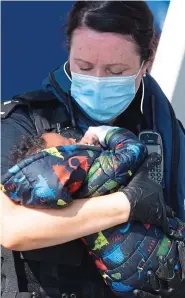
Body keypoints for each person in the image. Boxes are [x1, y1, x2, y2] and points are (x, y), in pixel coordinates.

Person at [1, 1, 185, 298]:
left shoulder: (166, 135)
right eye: (84, 67)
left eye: (115, 71)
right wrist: (128, 204)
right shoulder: (23, 122)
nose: (98, 80)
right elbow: (11, 228)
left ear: (145, 66)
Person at [2, 127, 185, 298]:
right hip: (161, 248)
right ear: (61, 158)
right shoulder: (96, 171)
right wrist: (105, 133)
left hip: (122, 279)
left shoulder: (53, 198)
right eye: (68, 142)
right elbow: (133, 151)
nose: (75, 138)